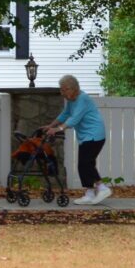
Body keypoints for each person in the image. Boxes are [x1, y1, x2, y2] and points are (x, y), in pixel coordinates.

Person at [44, 75, 109, 205]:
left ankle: (102, 188)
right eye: (61, 90)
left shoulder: (83, 99)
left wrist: (58, 129)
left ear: (73, 88)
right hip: (86, 136)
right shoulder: (71, 101)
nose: (62, 93)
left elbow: (74, 119)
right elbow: (64, 115)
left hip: (94, 134)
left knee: (86, 163)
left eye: (64, 90)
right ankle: (90, 194)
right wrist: (50, 125)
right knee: (84, 164)